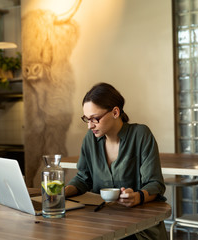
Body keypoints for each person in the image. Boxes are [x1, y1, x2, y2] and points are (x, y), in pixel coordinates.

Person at [65, 82, 167, 239]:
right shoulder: (90, 140)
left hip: (138, 227)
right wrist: (61, 193)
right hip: (100, 222)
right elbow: (83, 178)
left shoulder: (140, 135)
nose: (90, 126)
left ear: (115, 112)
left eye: (95, 119)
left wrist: (137, 197)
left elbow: (155, 184)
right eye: (87, 119)